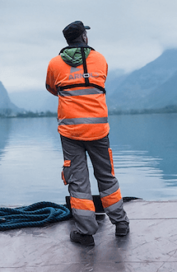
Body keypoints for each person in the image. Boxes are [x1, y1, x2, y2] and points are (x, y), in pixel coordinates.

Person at [45, 21, 129, 246]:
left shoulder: (54, 63)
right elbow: (100, 81)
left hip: (70, 131)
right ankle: (120, 223)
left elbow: (52, 88)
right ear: (84, 37)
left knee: (78, 182)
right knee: (106, 177)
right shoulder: (100, 59)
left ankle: (86, 232)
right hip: (99, 130)